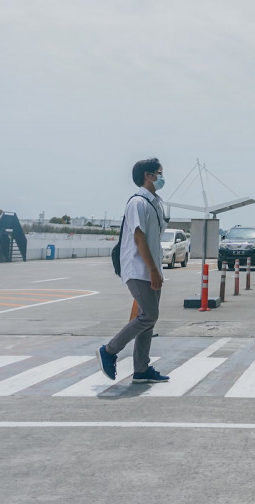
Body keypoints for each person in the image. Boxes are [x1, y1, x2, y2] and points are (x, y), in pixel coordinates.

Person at [99, 158, 169, 384]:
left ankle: (141, 369)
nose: (162, 177)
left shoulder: (155, 202)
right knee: (149, 315)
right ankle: (109, 351)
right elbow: (138, 237)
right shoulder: (137, 203)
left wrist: (157, 269)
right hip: (139, 269)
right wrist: (152, 269)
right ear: (148, 176)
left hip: (151, 269)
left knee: (148, 320)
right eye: (159, 173)